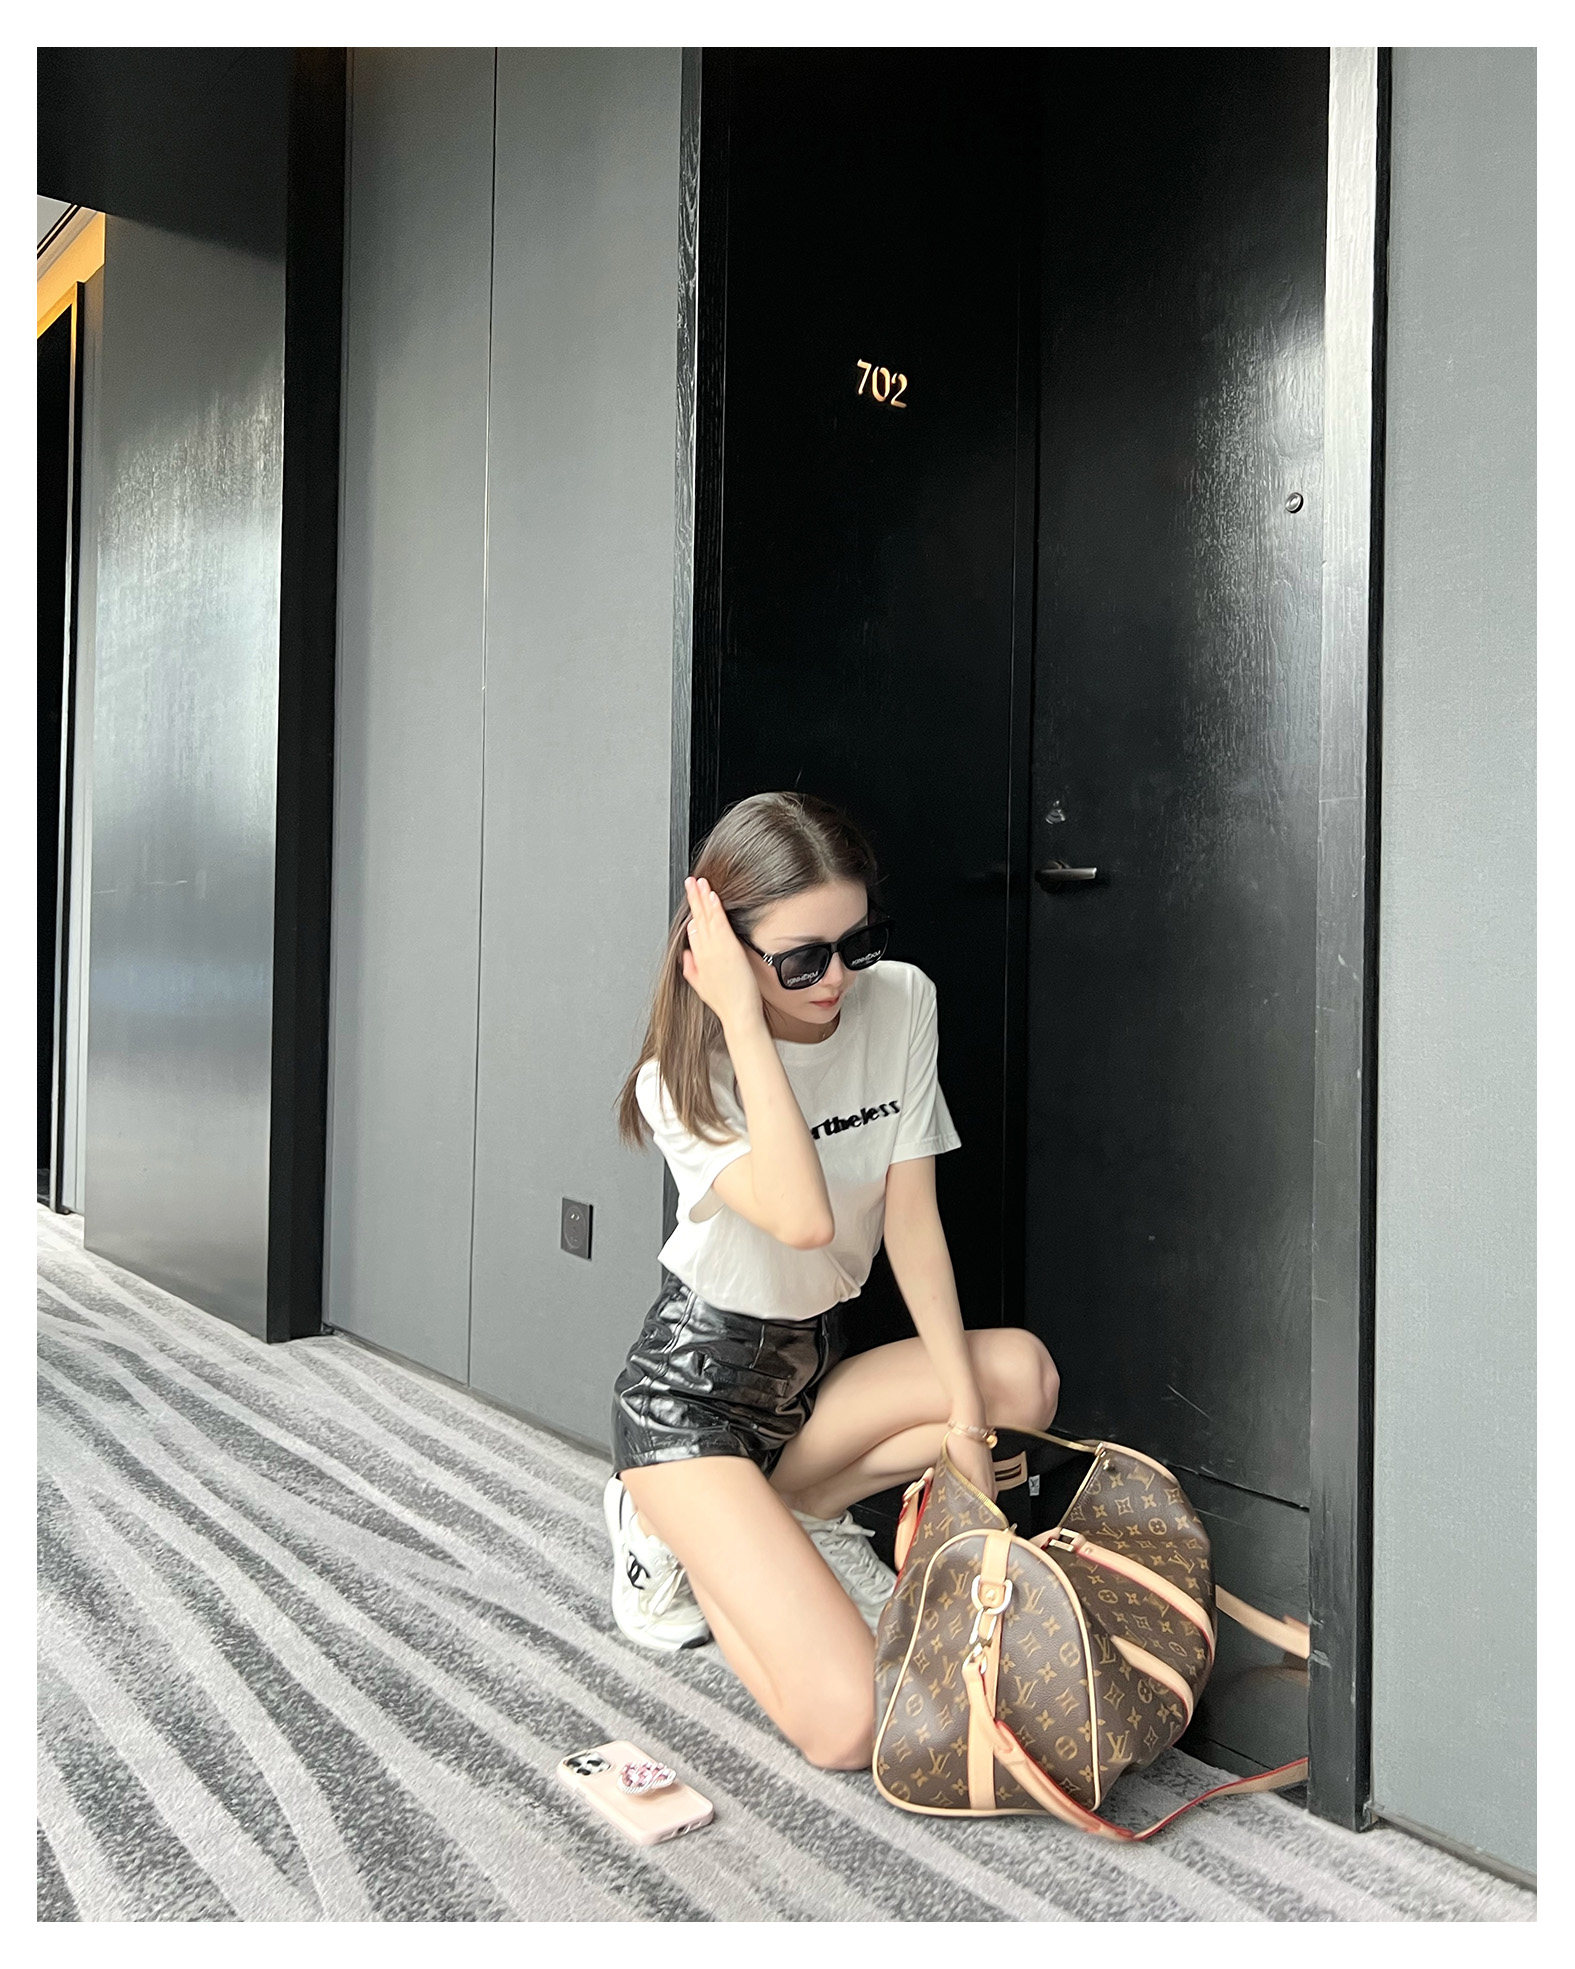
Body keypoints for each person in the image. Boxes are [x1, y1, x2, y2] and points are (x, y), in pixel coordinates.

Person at [604, 791, 1061, 1772]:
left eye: (856, 942)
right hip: (691, 1401)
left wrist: (969, 1430)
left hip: (808, 1378)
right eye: (801, 959)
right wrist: (740, 1018)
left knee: (1018, 1381)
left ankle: (767, 1520)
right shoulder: (680, 1079)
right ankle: (671, 1524)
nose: (838, 978)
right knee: (850, 1725)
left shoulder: (901, 999)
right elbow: (805, 1217)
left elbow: (911, 1220)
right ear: (725, 951)